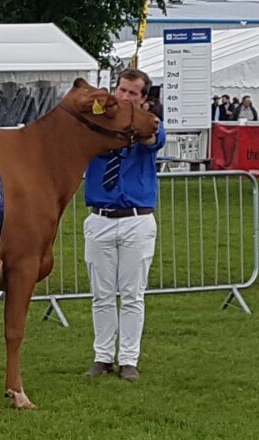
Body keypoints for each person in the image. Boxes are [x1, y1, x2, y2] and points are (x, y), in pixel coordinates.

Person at [83, 68, 165, 381]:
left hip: (136, 218)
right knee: (101, 294)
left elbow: (153, 140)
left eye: (133, 93)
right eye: (122, 90)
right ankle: (103, 357)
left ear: (143, 99)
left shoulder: (150, 123)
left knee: (132, 294)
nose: (125, 96)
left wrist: (136, 120)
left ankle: (129, 359)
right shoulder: (97, 122)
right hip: (100, 216)